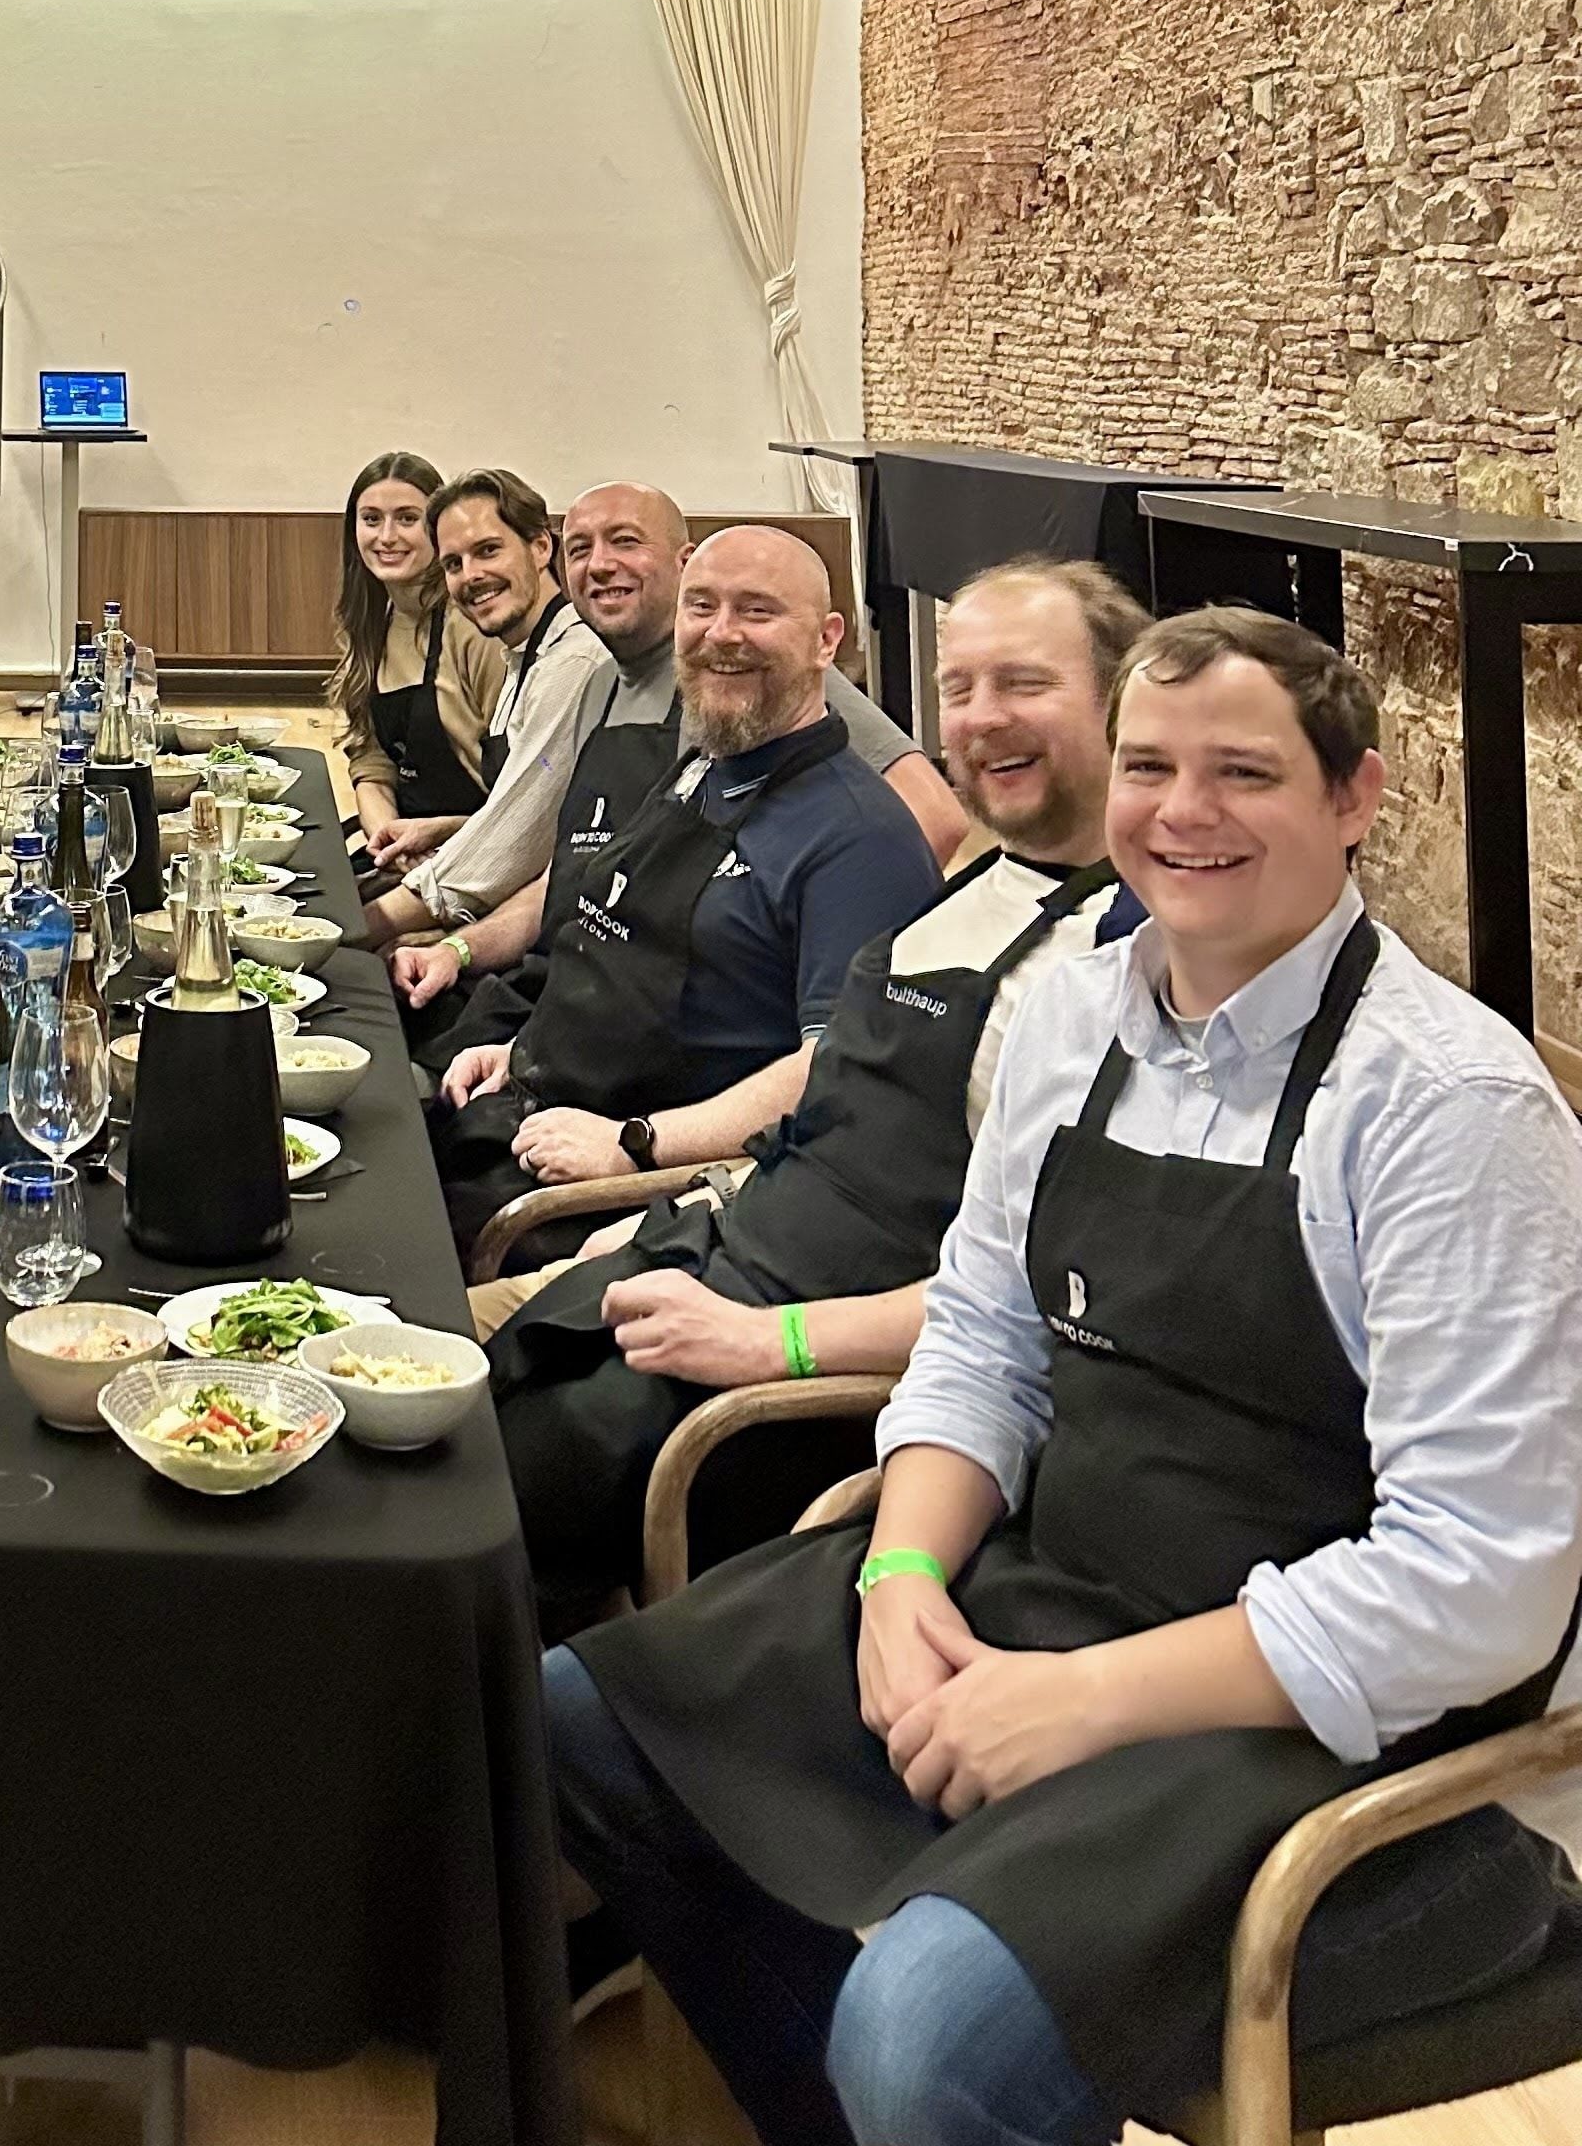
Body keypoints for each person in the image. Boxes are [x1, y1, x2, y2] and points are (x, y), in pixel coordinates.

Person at [553, 606, 1582, 2146]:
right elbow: (983, 1342)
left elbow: (1478, 1578)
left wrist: (1085, 1704)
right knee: (589, 1722)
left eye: (1245, 772)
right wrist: (903, 1577)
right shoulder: (1071, 1018)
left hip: (1318, 1725)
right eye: (1150, 766)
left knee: (919, 2032)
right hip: (1052, 1594)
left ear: (1355, 798)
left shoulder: (1448, 1107)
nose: (1183, 812)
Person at [488, 558, 1145, 1628]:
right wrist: (684, 1203)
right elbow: (830, 1116)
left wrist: (770, 1341)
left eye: (1024, 683)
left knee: (468, 1505)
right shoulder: (980, 886)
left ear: (1126, 704)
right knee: (421, 1379)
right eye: (960, 687)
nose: (982, 717)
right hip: (704, 1252)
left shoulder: (1128, 974)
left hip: (787, 1385)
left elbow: (1030, 1299)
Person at [431, 525, 941, 1256]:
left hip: (616, 1198)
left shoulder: (861, 840)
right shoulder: (701, 767)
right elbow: (620, 944)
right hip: (525, 1113)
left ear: (826, 641)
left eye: (757, 611)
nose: (721, 634)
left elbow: (833, 1072)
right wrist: (521, 1051)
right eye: (701, 607)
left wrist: (635, 1143)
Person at [379, 484, 954, 980]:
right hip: (563, 983)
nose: (600, 565)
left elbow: (935, 819)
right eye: (581, 549)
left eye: (625, 541)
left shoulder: (743, 676)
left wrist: (772, 973)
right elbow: (577, 867)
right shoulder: (600, 685)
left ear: (684, 562)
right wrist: (459, 948)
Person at [358, 469, 602, 985]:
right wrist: (445, 828)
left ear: (541, 547)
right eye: (454, 563)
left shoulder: (573, 664)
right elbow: (524, 813)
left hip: (564, 934)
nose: (470, 576)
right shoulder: (522, 657)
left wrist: (363, 927)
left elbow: (518, 839)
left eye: (488, 551)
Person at [333, 447, 510, 867]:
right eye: (371, 519)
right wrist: (388, 840)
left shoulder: (472, 627)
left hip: (483, 848)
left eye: (407, 519)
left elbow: (521, 792)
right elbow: (371, 765)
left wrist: (436, 842)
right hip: (405, 849)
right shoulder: (369, 626)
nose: (386, 536)